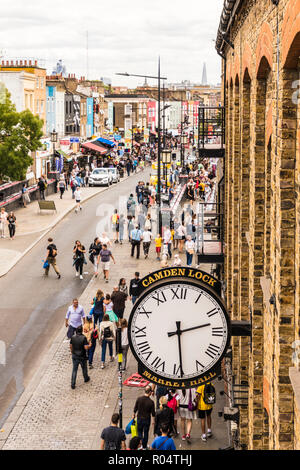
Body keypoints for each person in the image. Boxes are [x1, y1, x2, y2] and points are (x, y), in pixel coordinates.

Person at [133, 385, 155, 450]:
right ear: (150, 392)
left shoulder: (139, 399)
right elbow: (153, 413)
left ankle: (140, 445)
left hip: (139, 418)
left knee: (139, 432)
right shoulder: (151, 402)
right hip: (147, 419)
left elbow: (135, 408)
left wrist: (133, 414)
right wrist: (153, 421)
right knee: (146, 433)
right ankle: (144, 446)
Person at [70, 325, 91, 389]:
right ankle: (86, 378)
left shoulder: (73, 337)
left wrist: (72, 352)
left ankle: (73, 383)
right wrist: (90, 345)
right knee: (84, 368)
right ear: (81, 330)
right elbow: (85, 347)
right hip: (82, 356)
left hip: (75, 355)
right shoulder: (83, 338)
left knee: (74, 370)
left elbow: (71, 346)